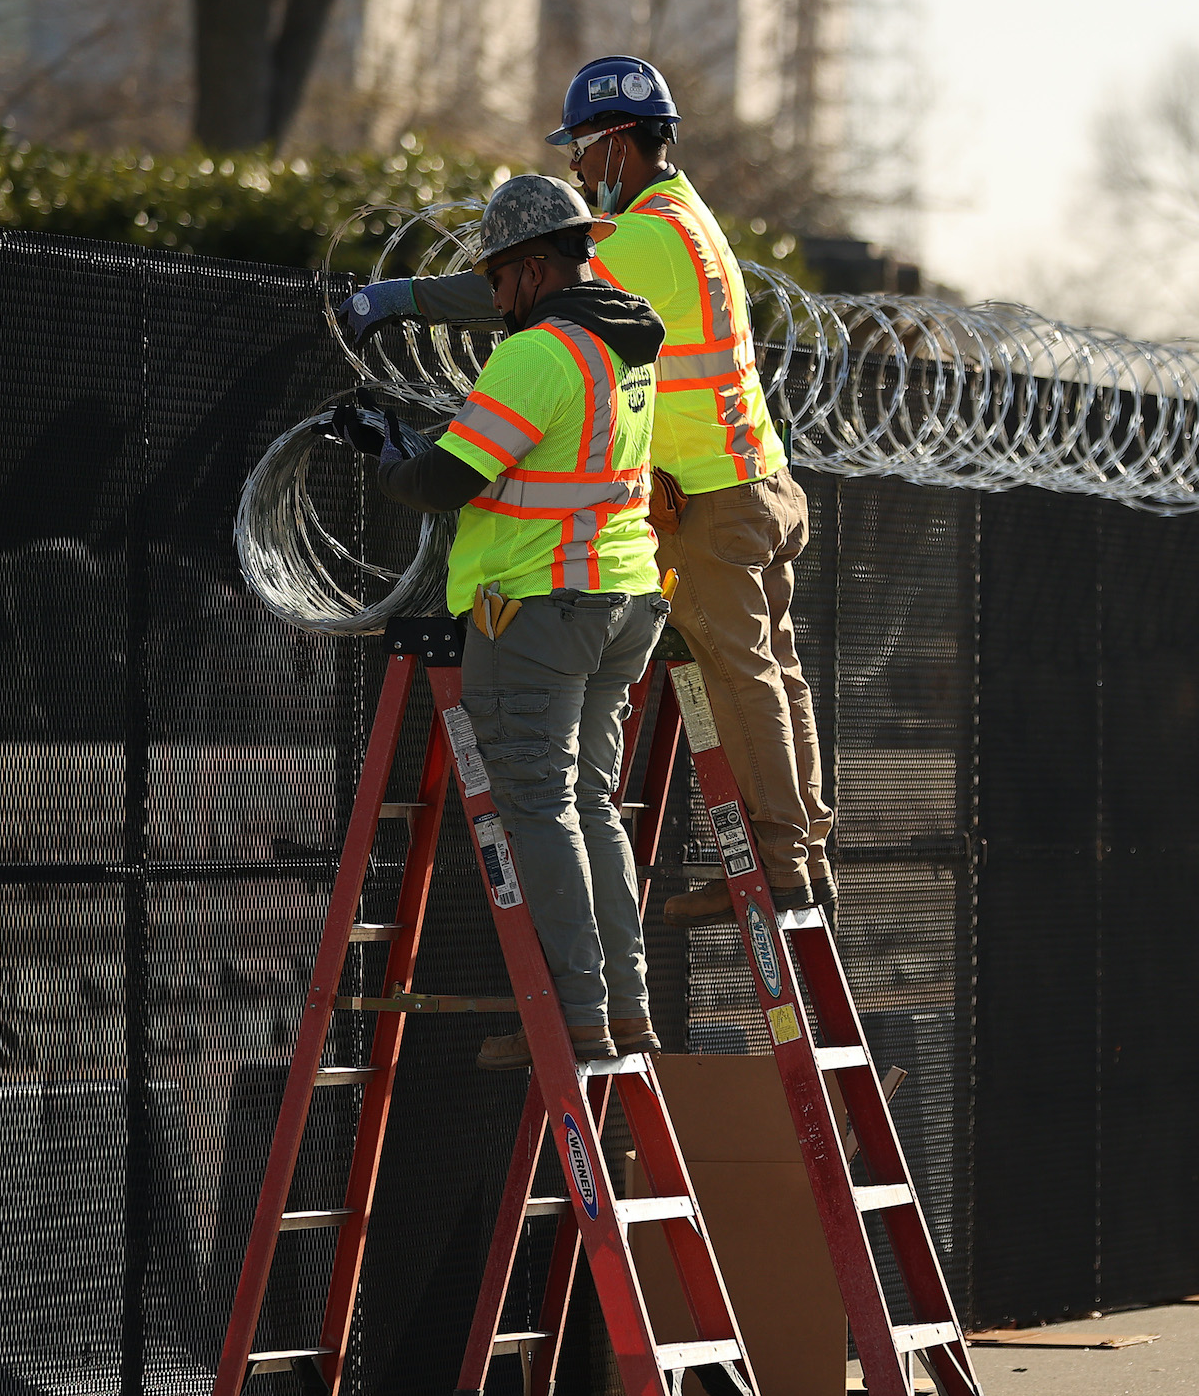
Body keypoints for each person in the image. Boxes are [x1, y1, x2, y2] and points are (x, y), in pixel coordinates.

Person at [340, 55, 833, 929]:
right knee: (774, 670)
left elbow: (526, 286)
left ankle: (781, 864)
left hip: (710, 498)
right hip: (756, 477)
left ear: (615, 144)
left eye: (581, 149)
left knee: (740, 673)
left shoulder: (644, 235)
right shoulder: (690, 219)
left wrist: (403, 295)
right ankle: (802, 851)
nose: (575, 169)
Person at [358, 173, 671, 1069]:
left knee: (537, 806)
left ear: (531, 272)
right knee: (588, 804)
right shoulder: (625, 345)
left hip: (539, 607)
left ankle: (576, 1017)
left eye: (495, 279)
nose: (491, 299)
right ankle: (626, 1009)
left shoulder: (538, 354)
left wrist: (382, 450)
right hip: (622, 598)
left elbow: (448, 479)